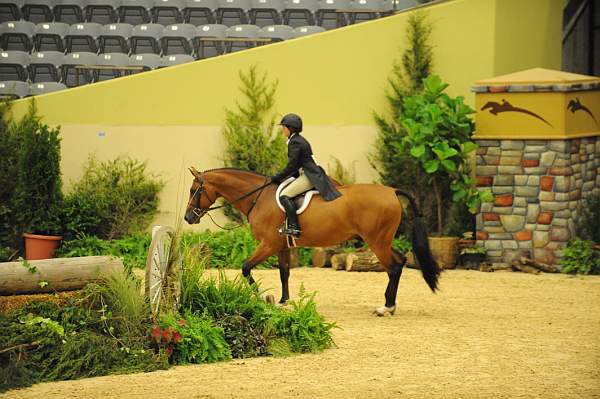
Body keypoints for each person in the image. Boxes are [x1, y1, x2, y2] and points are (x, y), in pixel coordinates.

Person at [270, 113, 342, 238]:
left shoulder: (295, 142)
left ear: (290, 128)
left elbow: (292, 165)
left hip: (310, 175)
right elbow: (297, 165)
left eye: (284, 127)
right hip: (307, 172)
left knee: (284, 195)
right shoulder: (297, 140)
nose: (282, 130)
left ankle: (294, 228)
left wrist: (277, 177)